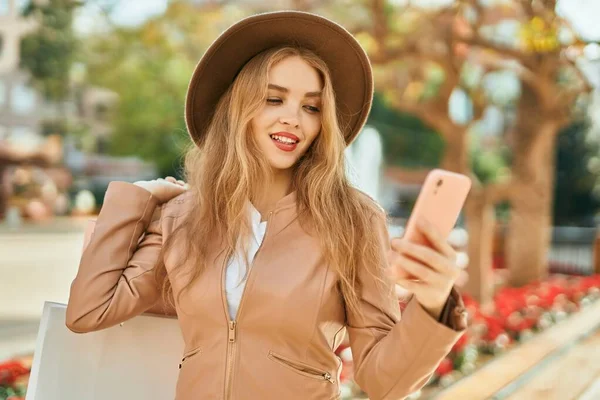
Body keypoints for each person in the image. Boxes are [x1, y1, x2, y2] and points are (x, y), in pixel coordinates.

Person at [66, 10, 467, 400]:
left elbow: (385, 383)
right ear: (238, 107)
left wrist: (432, 305)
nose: (294, 118)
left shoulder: (355, 220)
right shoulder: (181, 217)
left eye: (311, 107)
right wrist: (139, 198)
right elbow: (89, 311)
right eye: (274, 99)